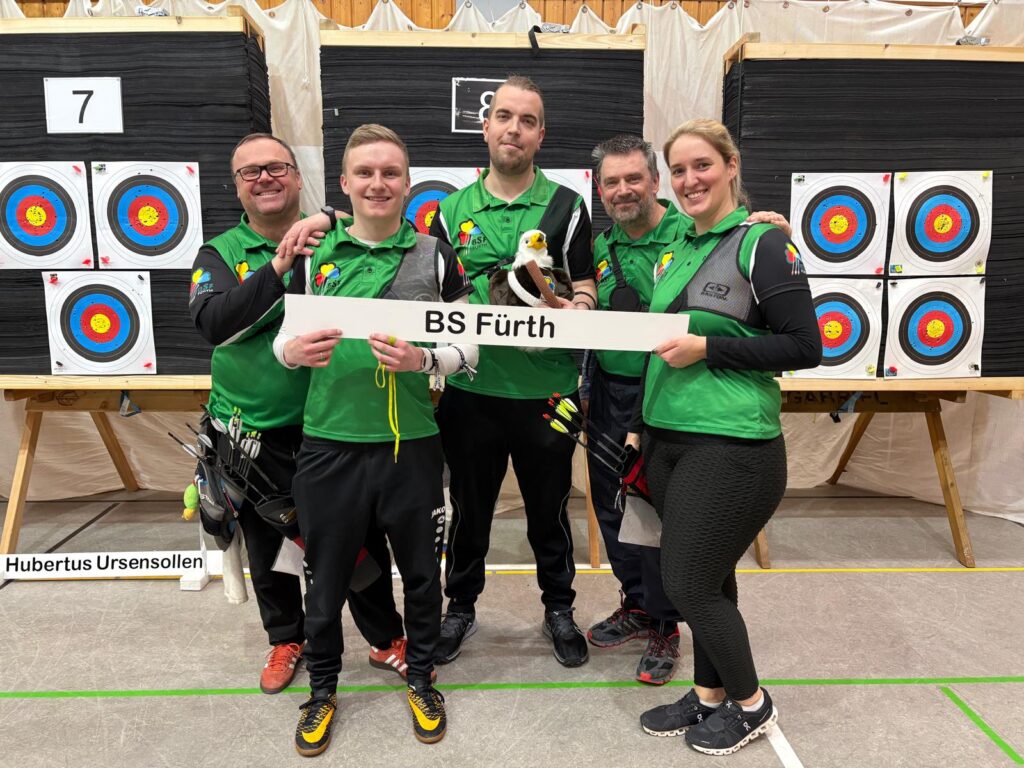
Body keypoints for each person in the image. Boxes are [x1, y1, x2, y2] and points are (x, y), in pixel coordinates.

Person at [273, 124, 476, 756]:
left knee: (420, 576)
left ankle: (419, 679)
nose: (378, 183)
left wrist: (425, 362)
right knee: (326, 578)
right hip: (329, 445)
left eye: (390, 173)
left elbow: (469, 348)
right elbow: (282, 338)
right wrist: (292, 352)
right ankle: (323, 692)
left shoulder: (437, 255)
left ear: (408, 184)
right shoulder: (314, 251)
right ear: (344, 183)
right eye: (365, 173)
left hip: (412, 445)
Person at [189, 133, 409, 698]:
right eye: (250, 172)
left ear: (297, 175)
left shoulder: (332, 239)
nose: (265, 179)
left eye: (277, 168)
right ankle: (287, 638)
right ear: (235, 185)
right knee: (270, 550)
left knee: (355, 543)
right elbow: (215, 324)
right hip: (252, 433)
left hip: (329, 425)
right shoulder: (220, 252)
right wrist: (282, 265)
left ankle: (385, 638)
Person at [626, 119, 820, 755]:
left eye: (702, 165)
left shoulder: (762, 244)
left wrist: (709, 347)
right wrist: (636, 427)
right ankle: (708, 696)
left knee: (687, 584)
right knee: (711, 578)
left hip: (732, 446)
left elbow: (804, 345)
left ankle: (752, 703)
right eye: (677, 170)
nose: (689, 180)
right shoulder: (676, 242)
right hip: (667, 440)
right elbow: (656, 347)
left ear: (731, 165)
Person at [585, 135, 792, 686]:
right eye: (612, 182)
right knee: (620, 514)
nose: (624, 190)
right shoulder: (599, 247)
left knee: (673, 538)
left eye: (637, 178)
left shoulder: (691, 231)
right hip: (626, 400)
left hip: (696, 400)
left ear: (656, 183)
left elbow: (771, 310)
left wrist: (768, 229)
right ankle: (638, 605)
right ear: (599, 190)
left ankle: (666, 625)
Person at [427, 74, 597, 669]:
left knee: (549, 511)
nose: (514, 129)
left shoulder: (567, 206)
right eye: (504, 117)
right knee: (469, 510)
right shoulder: (449, 212)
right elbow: (442, 300)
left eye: (527, 121)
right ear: (486, 125)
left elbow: (586, 286)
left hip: (547, 391)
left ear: (541, 134)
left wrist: (578, 307)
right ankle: (459, 609)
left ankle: (558, 610)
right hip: (471, 390)